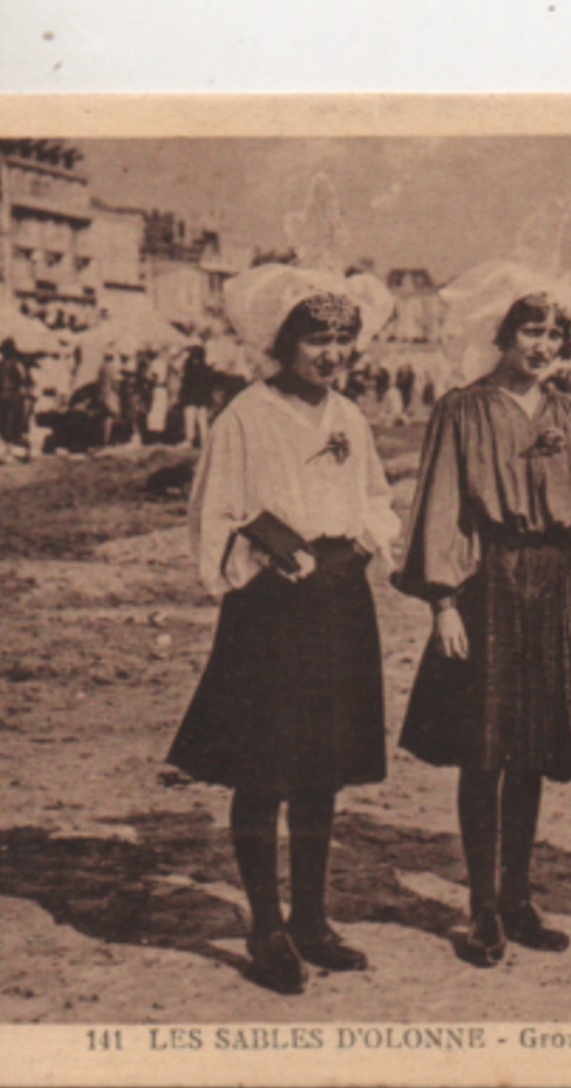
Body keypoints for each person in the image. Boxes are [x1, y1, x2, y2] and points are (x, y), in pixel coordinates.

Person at [165, 181, 400, 995]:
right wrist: (262, 553)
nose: (331, 353)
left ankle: (311, 916)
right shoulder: (245, 416)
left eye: (343, 338)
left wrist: (366, 541)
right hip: (269, 607)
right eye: (316, 338)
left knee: (321, 770)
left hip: (339, 599)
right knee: (263, 770)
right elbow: (215, 514)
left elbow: (374, 497)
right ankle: (264, 926)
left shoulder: (351, 417)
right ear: (282, 339)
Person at [394, 202, 571, 968]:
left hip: (553, 585)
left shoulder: (566, 409)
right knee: (483, 753)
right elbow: (442, 504)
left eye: (555, 335)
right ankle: (482, 909)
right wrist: (442, 602)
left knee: (532, 751)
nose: (545, 346)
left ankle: (521, 898)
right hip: (489, 583)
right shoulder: (464, 410)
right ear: (501, 334)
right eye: (531, 332)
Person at [0, 338, 35, 463]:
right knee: (16, 424)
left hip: (0, 397)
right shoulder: (18, 365)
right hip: (14, 397)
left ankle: (5, 451)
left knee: (4, 424)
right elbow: (26, 382)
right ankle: (13, 452)